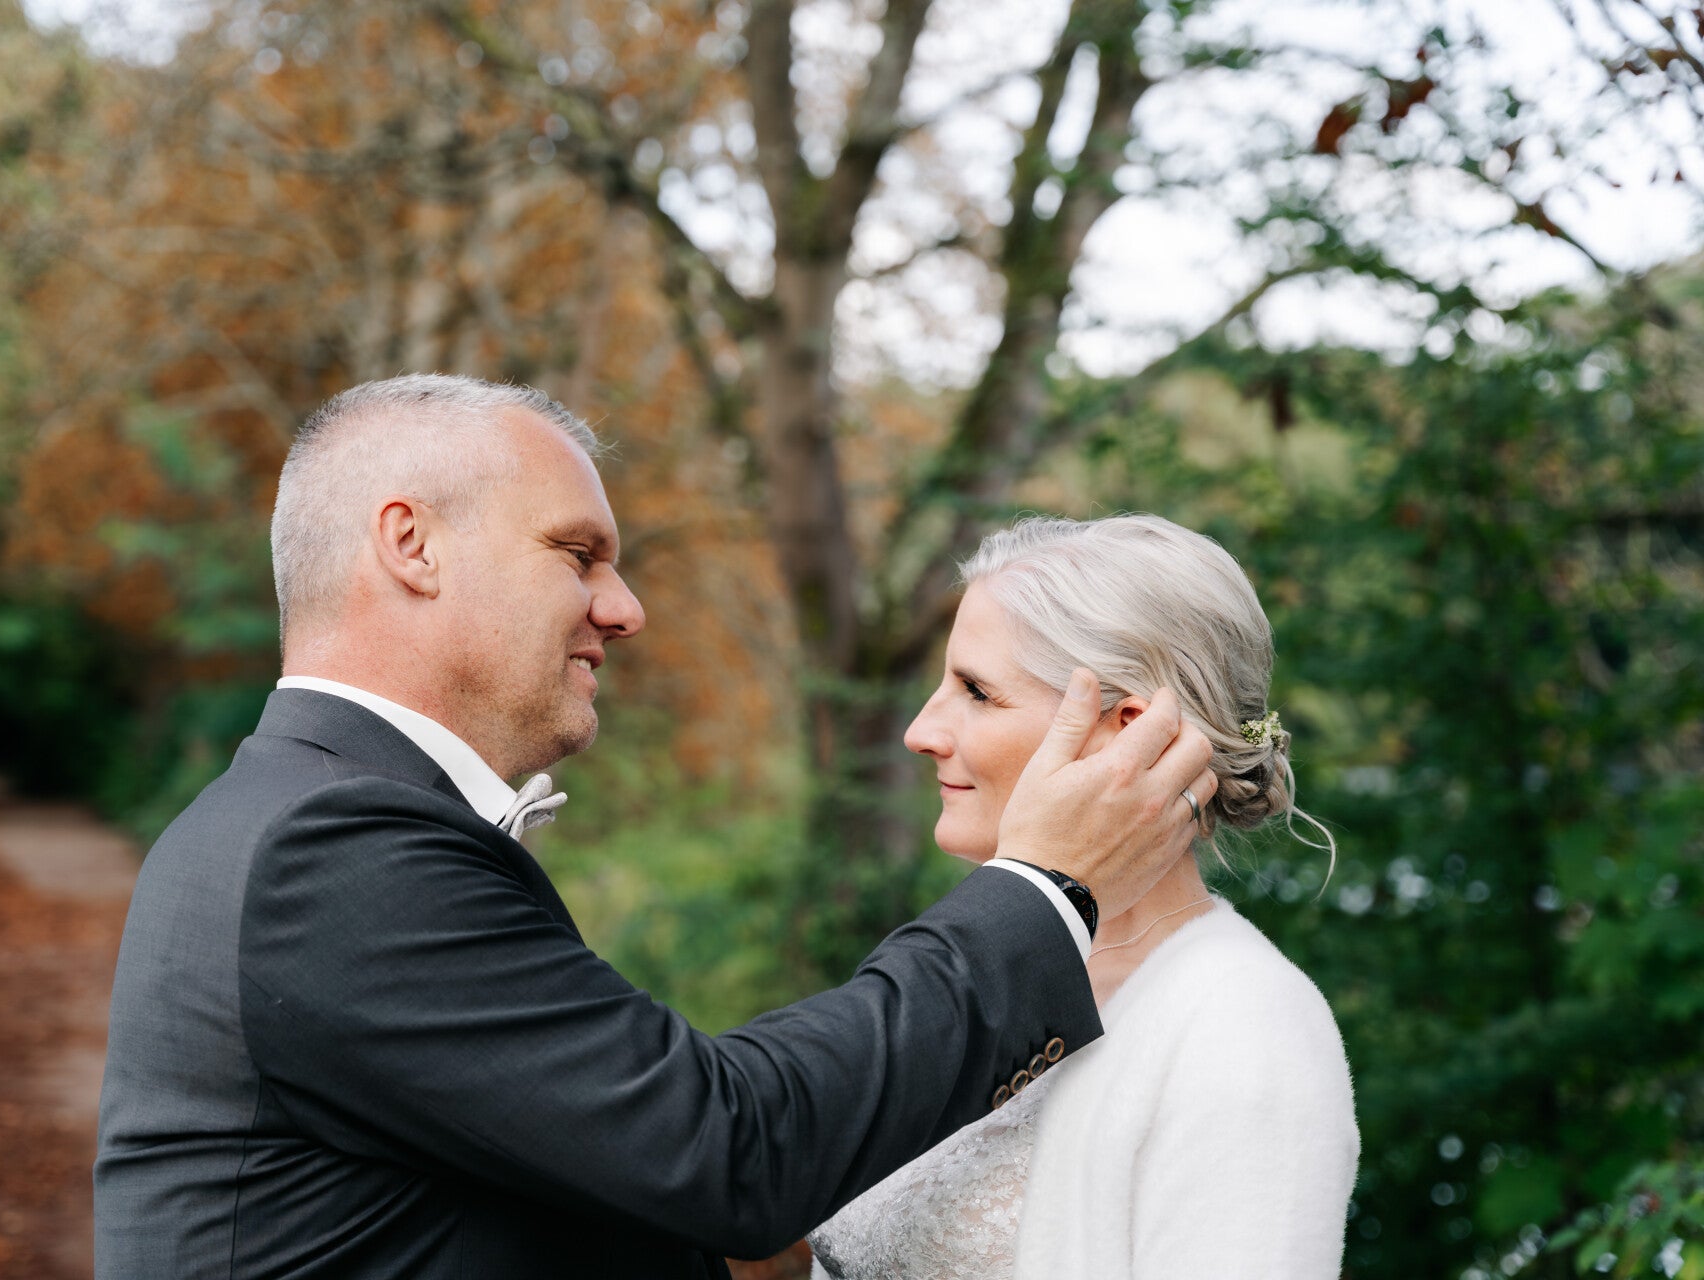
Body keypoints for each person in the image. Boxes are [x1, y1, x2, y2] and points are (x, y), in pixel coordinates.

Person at [92, 375, 1218, 1279]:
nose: (624, 607)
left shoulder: (288, 817)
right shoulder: (335, 851)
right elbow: (727, 1147)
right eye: (577, 553)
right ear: (412, 545)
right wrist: (1047, 888)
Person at [806, 515, 1360, 1280]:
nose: (921, 731)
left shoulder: (1244, 1026)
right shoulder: (979, 971)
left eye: (976, 692)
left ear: (1131, 734)